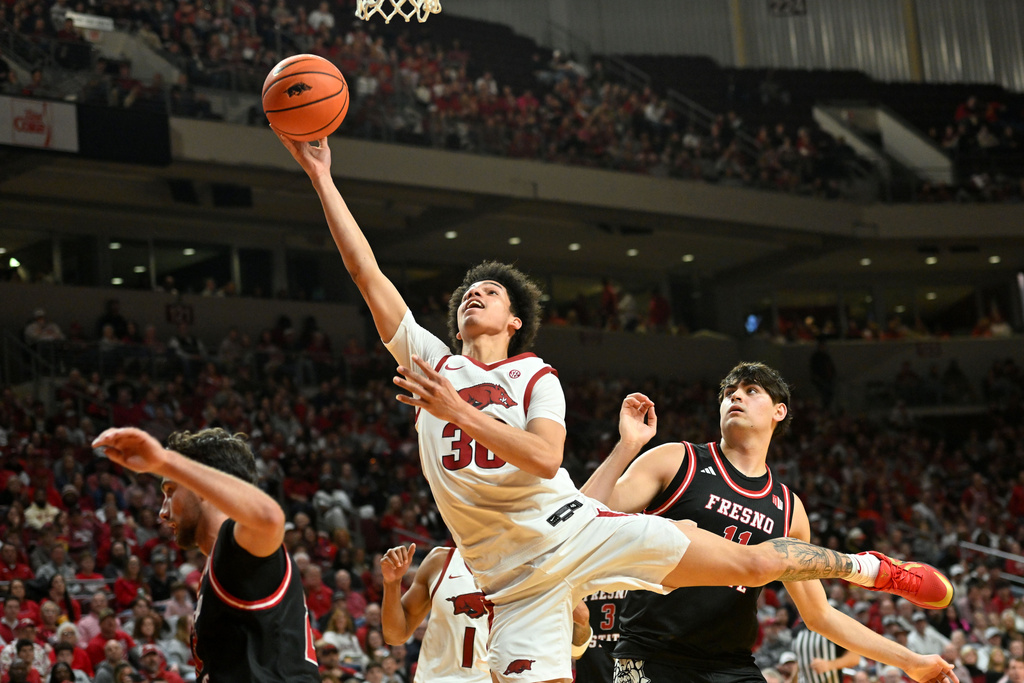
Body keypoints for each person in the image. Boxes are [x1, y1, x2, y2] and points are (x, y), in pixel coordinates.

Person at [277, 131, 956, 683]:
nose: (472, 297)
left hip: (576, 530)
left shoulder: (536, 375)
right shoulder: (431, 361)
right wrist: (321, 177)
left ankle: (868, 566)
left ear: (515, 321)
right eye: (466, 293)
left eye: (489, 293)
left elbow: (545, 458)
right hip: (513, 581)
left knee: (751, 563)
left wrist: (458, 411)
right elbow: (367, 273)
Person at [581, 362, 957, 683]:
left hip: (732, 665)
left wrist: (912, 662)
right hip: (653, 656)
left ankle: (871, 568)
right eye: (729, 392)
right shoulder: (677, 460)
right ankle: (869, 568)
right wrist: (628, 446)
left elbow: (820, 615)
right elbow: (582, 515)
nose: (735, 397)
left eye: (750, 390)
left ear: (779, 411)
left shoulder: (789, 508)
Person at [91, 427, 319, 683]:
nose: (163, 512)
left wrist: (166, 461)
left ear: (201, 488)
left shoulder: (238, 551)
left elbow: (270, 518)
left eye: (170, 491)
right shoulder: (220, 563)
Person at [381, 544, 590, 682]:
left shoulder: (532, 566)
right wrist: (392, 583)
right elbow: (395, 635)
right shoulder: (440, 560)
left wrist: (581, 621)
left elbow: (576, 649)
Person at [791, 626, 861, 683]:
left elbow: (855, 657)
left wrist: (830, 665)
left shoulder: (832, 628)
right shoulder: (796, 631)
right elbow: (797, 665)